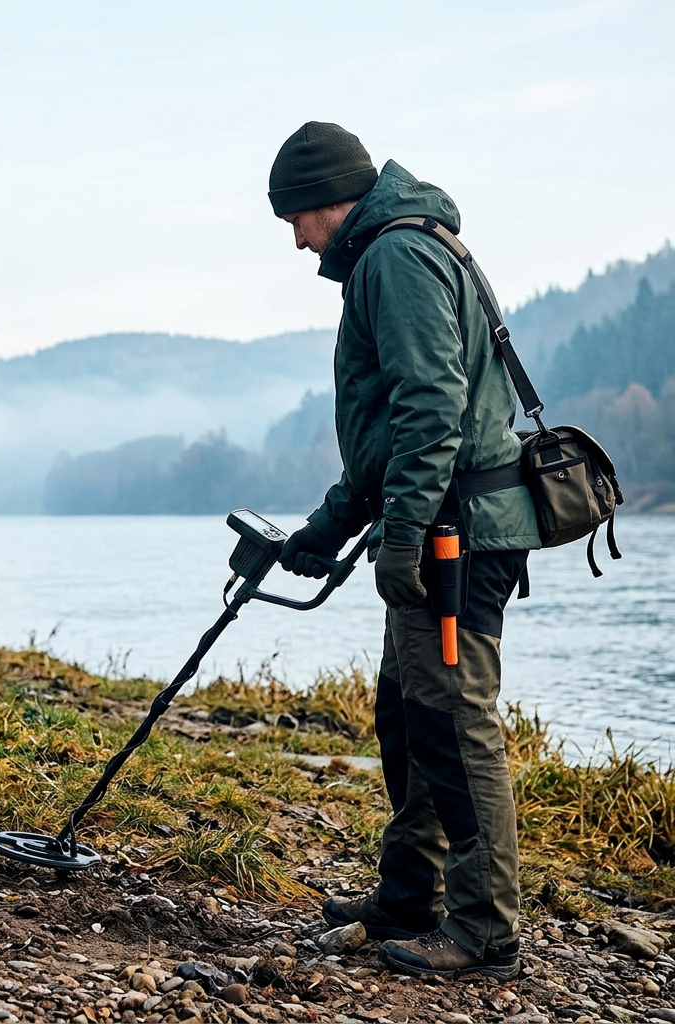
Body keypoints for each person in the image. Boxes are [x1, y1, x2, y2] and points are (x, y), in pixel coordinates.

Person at [268, 122, 540, 981]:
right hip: (440, 526)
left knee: (455, 728)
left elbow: (432, 407)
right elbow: (390, 436)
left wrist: (406, 535)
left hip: (456, 537)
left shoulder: (395, 257)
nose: (298, 241)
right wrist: (328, 527)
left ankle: (484, 931)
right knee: (407, 714)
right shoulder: (405, 247)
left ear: (329, 201)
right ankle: (408, 895)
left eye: (296, 220)